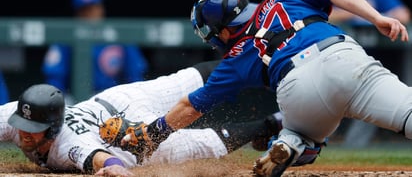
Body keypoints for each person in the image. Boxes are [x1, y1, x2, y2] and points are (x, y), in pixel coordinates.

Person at [117, 0, 410, 177]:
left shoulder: (236, 57)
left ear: (225, 31)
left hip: (298, 92)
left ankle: (291, 143)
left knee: (303, 133)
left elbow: (191, 107)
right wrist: (376, 16)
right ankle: (293, 139)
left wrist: (153, 133)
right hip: (343, 57)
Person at [0, 60, 282, 176]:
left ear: (52, 128)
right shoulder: (20, 113)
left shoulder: (67, 145)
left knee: (190, 79)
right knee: (203, 142)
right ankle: (273, 123)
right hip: (120, 116)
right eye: (23, 126)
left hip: (131, 127)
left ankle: (267, 60)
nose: (24, 133)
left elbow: (100, 158)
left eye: (34, 129)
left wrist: (114, 168)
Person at [326, 0, 411, 148]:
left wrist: (373, 16)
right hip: (333, 52)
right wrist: (361, 12)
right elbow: (319, 16)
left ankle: (352, 147)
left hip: (368, 56)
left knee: (375, 90)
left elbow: (403, 14)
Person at [42, 0, 149, 102]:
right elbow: (55, 80)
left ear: (101, 9)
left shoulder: (119, 35)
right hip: (77, 101)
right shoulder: (64, 39)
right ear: (77, 12)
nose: (90, 14)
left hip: (113, 100)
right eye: (85, 10)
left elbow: (136, 76)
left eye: (94, 8)